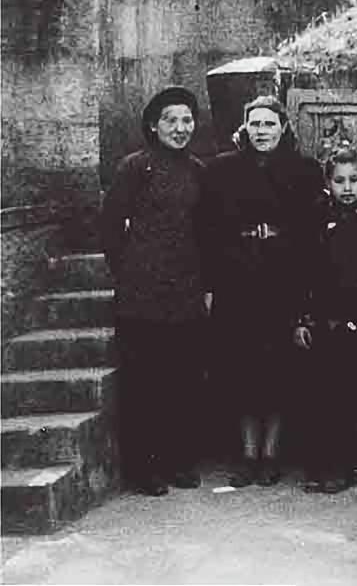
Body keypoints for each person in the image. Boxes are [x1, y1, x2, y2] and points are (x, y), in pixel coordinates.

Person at [201, 95, 324, 488]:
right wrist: (212, 282)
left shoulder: (304, 170)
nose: (262, 131)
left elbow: (311, 231)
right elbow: (208, 228)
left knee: (278, 371)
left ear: (283, 127)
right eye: (255, 123)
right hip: (237, 280)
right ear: (245, 127)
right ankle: (247, 453)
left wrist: (281, 241)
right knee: (240, 370)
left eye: (269, 123)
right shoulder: (222, 169)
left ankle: (271, 453)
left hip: (282, 280)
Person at [100, 86, 208, 496]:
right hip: (141, 293)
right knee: (144, 381)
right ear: (153, 125)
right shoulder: (135, 167)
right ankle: (143, 468)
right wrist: (128, 271)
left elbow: (206, 231)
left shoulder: (198, 170)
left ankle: (178, 461)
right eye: (170, 120)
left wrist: (203, 284)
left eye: (187, 120)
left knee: (182, 378)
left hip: (185, 290)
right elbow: (111, 226)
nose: (180, 128)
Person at [293, 146, 357, 493]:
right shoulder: (316, 216)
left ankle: (349, 465)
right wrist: (302, 319)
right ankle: (319, 465)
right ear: (327, 183)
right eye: (339, 181)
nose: (347, 188)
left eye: (354, 180)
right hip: (323, 319)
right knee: (321, 395)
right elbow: (303, 270)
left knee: (354, 394)